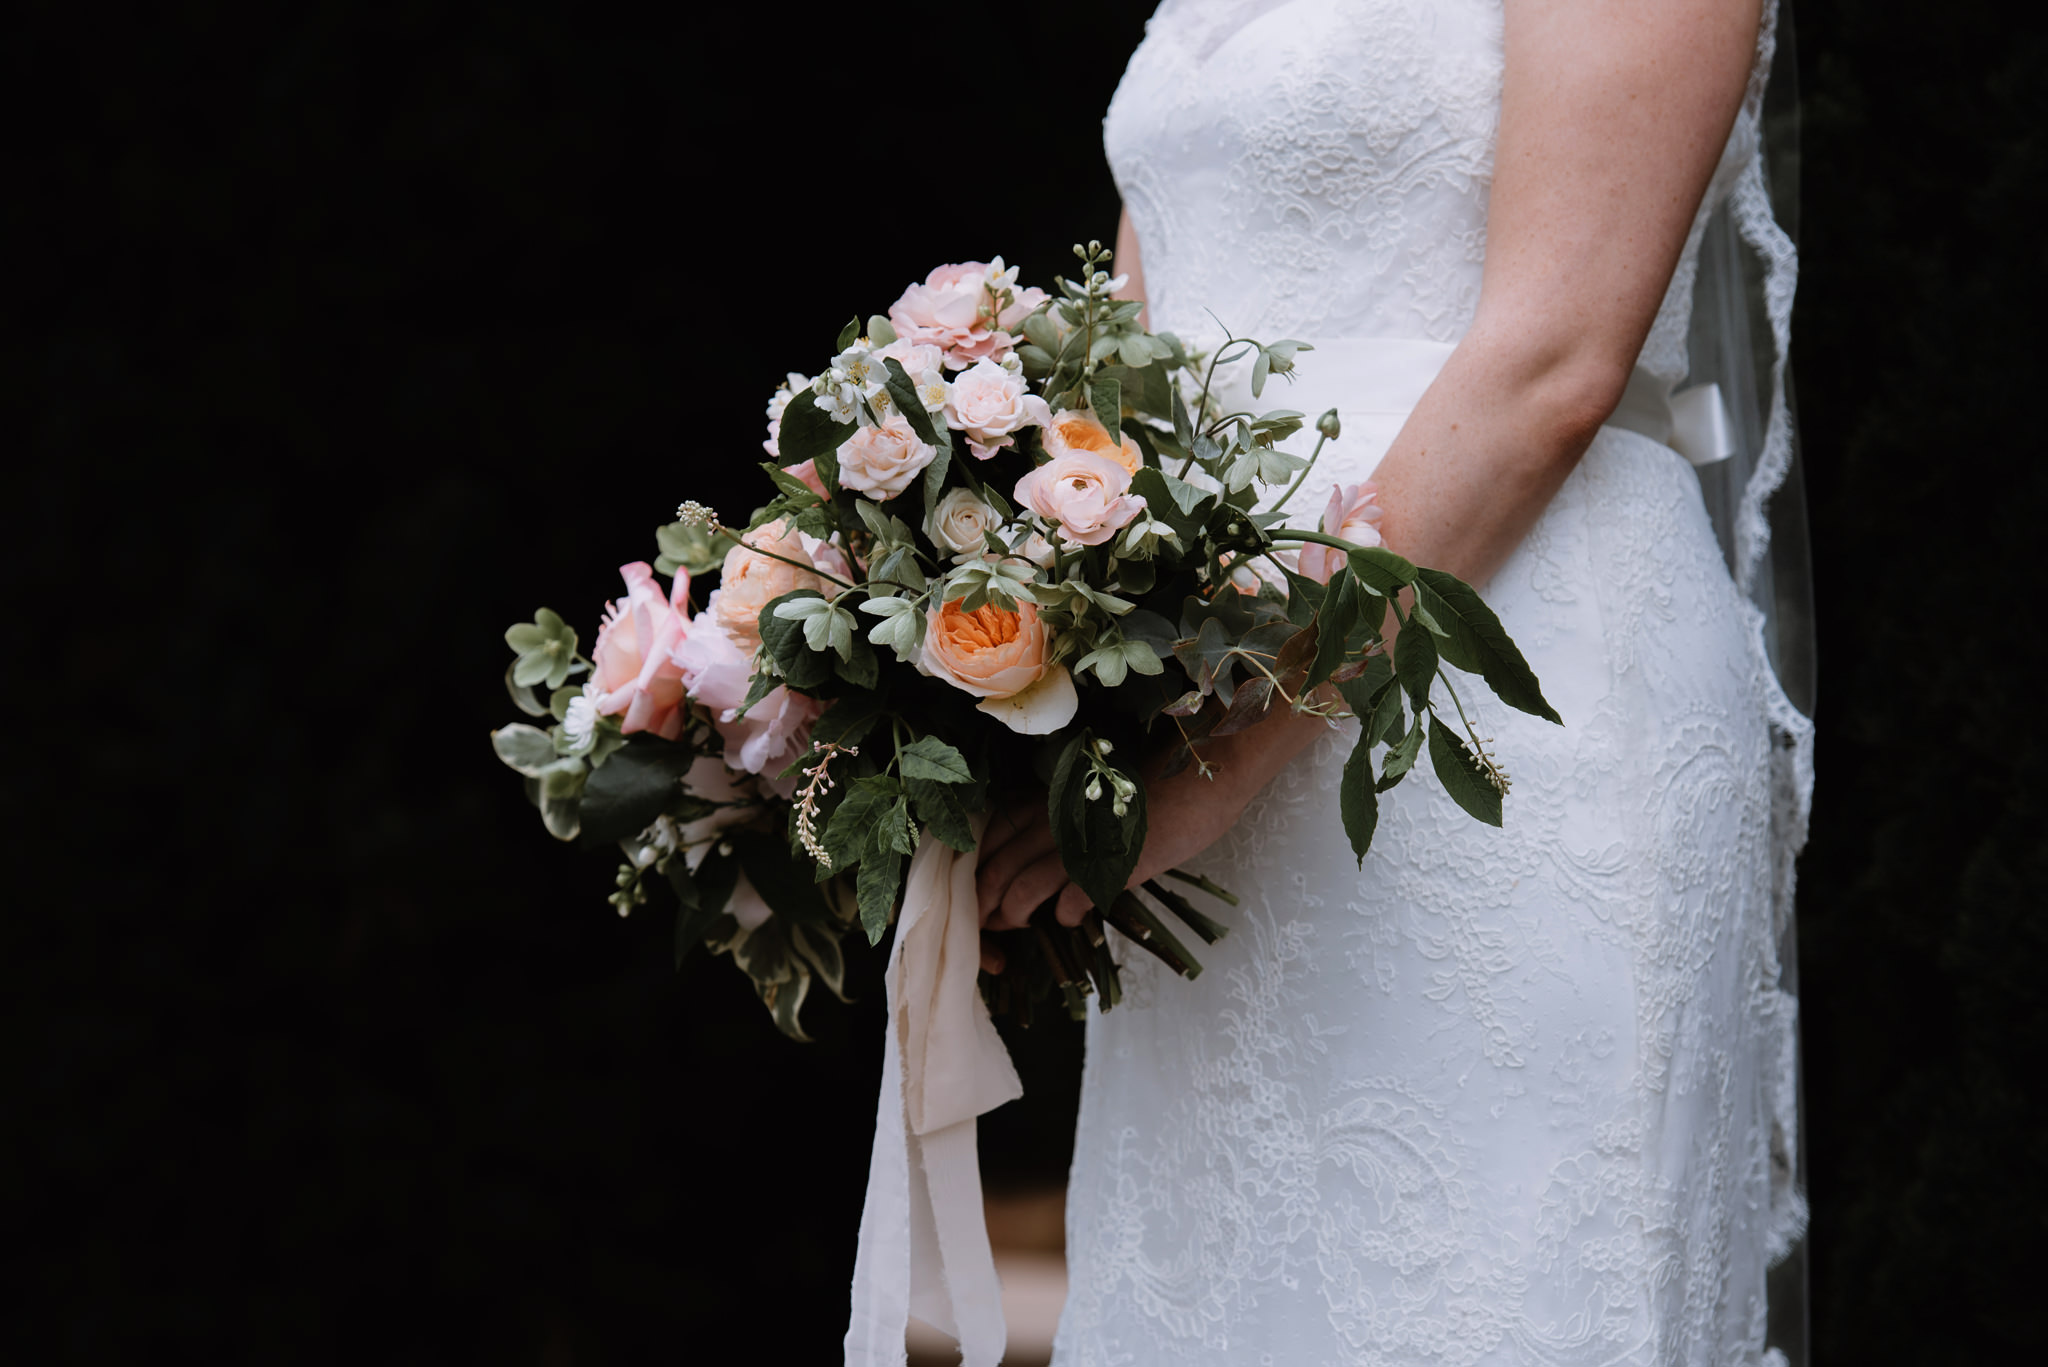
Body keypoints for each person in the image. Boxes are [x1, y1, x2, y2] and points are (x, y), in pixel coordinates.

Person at [973, 0, 1811, 1361]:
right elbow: (1126, 365)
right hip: (1215, 690)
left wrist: (1224, 760)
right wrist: (1035, 700)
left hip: (1493, 696)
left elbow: (1554, 366)